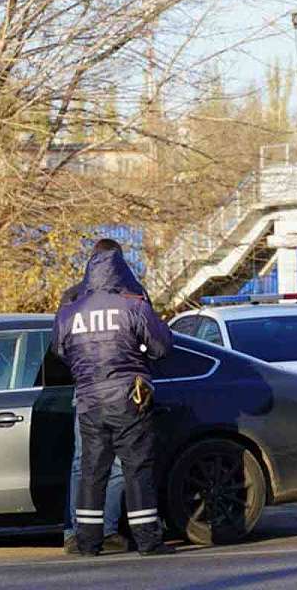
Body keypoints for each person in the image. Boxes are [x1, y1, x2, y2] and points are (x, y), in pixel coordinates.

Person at [52, 238, 175, 557]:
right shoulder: (133, 303)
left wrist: (86, 371)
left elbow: (59, 349)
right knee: (136, 467)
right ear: (120, 265)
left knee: (92, 470)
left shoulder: (71, 306)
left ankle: (88, 542)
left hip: (89, 399)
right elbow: (161, 347)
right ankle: (148, 540)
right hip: (129, 398)